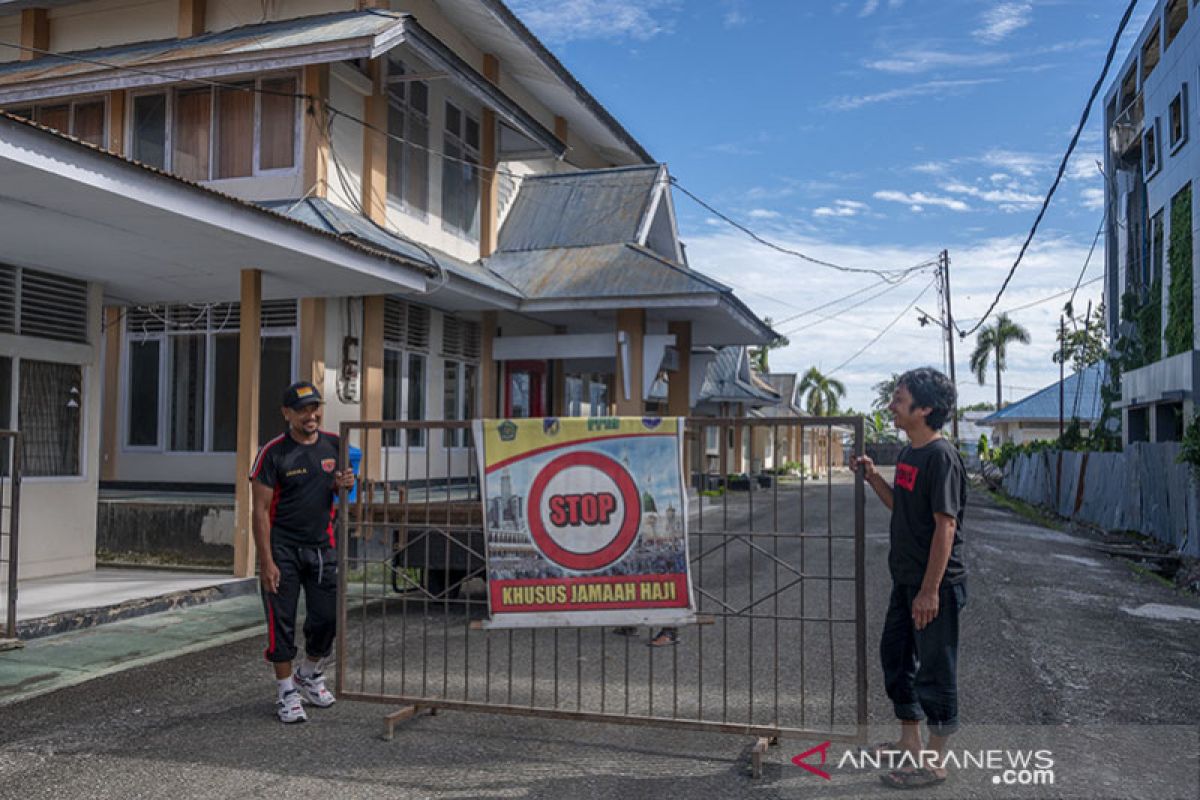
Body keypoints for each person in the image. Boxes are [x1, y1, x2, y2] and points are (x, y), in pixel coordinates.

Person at [850, 367, 967, 790]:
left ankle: (934, 763)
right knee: (896, 659)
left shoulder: (941, 457)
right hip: (906, 582)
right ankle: (908, 742)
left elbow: (945, 528)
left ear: (925, 409)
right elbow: (902, 507)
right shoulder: (908, 455)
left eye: (899, 400)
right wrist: (874, 477)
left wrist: (930, 590)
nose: (891, 406)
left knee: (935, 670)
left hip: (935, 586)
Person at [251, 381, 355, 723]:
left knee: (327, 619)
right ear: (287, 414)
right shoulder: (274, 453)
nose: (311, 415)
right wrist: (266, 561)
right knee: (280, 624)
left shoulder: (335, 445)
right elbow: (260, 511)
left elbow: (342, 490)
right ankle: (285, 692)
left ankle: (308, 674)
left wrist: (345, 486)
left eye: (314, 408)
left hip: (323, 548)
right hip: (282, 551)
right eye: (302, 410)